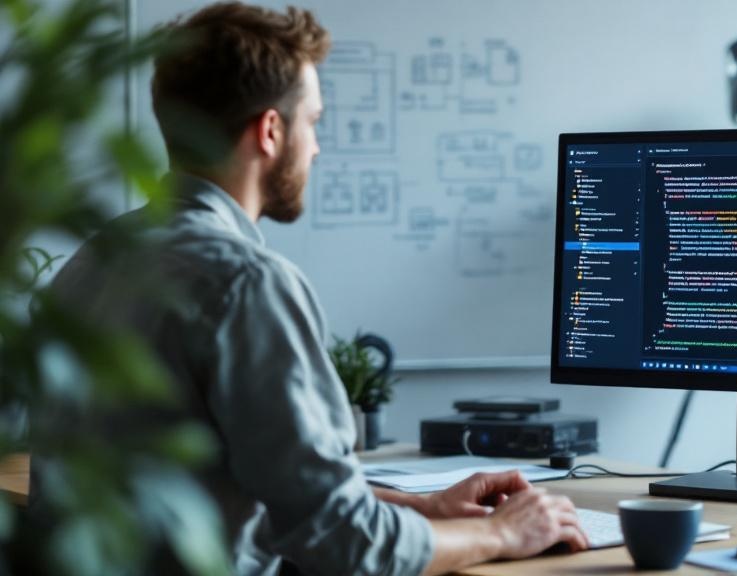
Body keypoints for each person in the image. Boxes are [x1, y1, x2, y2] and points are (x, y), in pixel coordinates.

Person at [38, 2, 586, 574]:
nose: (318, 147)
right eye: (314, 122)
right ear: (271, 131)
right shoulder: (246, 283)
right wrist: (501, 533)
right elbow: (344, 545)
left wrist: (422, 507)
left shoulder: (94, 258)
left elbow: (263, 491)